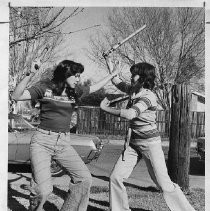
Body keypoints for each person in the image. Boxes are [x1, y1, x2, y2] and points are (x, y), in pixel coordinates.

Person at [11, 59, 118, 211]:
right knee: (43, 190)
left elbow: (93, 88)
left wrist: (112, 74)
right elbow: (16, 96)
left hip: (63, 142)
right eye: (76, 75)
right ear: (65, 74)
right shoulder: (44, 87)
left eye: (80, 76)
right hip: (42, 141)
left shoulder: (74, 91)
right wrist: (30, 73)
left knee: (84, 179)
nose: (79, 79)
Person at [100, 58, 196, 211]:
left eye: (135, 75)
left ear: (143, 78)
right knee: (115, 177)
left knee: (163, 184)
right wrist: (109, 60)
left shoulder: (149, 96)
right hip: (133, 143)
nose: (131, 77)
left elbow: (131, 114)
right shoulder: (133, 90)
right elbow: (116, 80)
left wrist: (105, 109)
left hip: (149, 143)